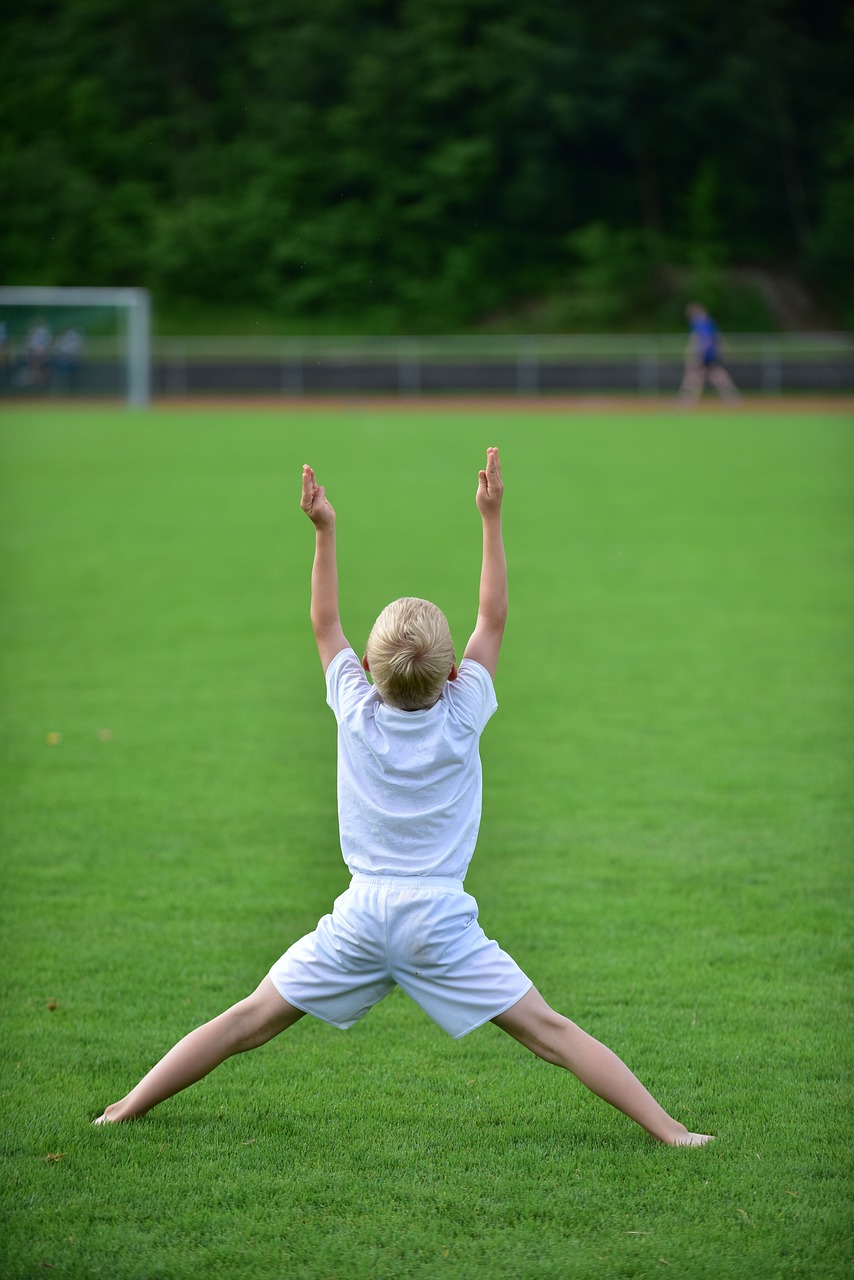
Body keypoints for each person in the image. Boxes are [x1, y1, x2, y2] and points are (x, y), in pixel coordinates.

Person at [94, 450, 712, 1147]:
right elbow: (495, 616)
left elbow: (325, 622)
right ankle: (671, 1132)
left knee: (245, 1023)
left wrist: (324, 530)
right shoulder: (464, 708)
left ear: (365, 670)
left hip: (362, 916)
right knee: (551, 1034)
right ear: (453, 672)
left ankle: (124, 1109)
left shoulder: (353, 708)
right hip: (439, 922)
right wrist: (491, 517)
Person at [678, 302, 740, 405]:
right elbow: (717, 338)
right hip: (710, 354)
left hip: (704, 355)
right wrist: (724, 348)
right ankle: (732, 397)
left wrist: (696, 356)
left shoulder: (700, 323)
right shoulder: (709, 322)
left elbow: (701, 341)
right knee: (713, 375)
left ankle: (687, 399)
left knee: (695, 375)